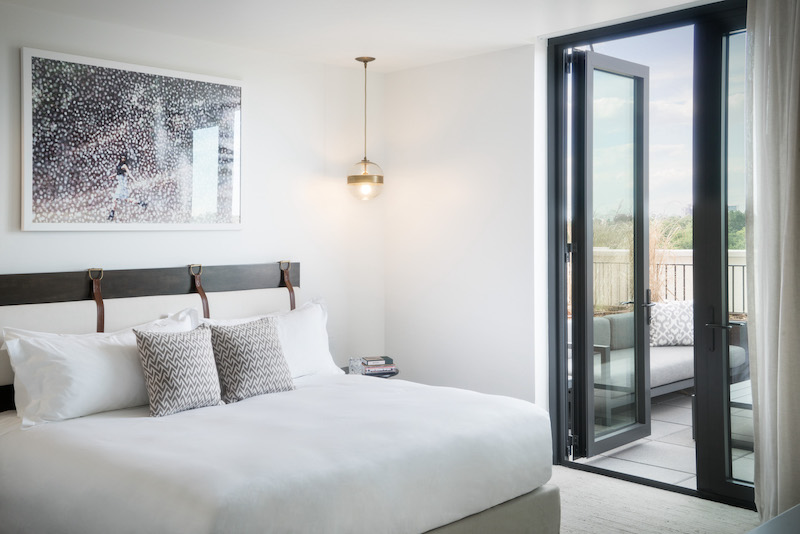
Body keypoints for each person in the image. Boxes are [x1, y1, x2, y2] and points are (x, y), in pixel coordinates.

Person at [107, 155, 147, 220]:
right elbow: (118, 172)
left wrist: (134, 180)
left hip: (122, 185)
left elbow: (129, 173)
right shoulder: (119, 165)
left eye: (124, 158)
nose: (123, 159)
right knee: (125, 199)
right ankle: (141, 203)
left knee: (116, 199)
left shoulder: (124, 166)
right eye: (122, 158)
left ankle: (111, 215)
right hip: (120, 184)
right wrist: (113, 176)